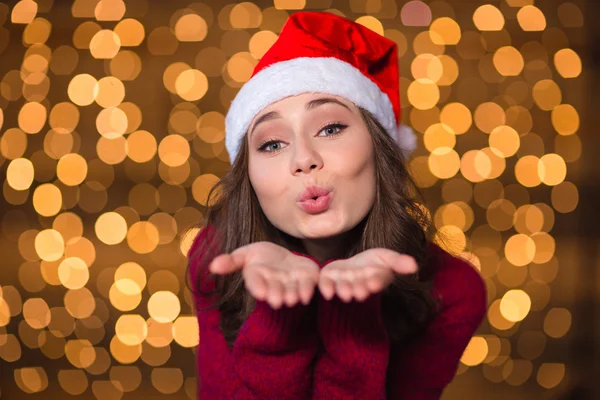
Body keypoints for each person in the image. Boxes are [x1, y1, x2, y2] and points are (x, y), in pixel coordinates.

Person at [186, 11, 487, 400]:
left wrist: (353, 321)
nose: (304, 158)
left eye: (330, 128)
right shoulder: (216, 259)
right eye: (272, 144)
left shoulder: (453, 290)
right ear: (250, 179)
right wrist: (280, 318)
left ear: (381, 150)